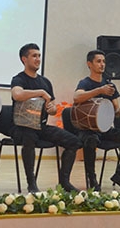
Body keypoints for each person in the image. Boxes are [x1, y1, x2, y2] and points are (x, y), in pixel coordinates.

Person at [10, 43, 82, 193]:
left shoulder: (45, 81)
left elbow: (53, 107)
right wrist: (41, 92)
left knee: (74, 141)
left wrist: (52, 109)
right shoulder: (18, 79)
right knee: (29, 138)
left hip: (40, 127)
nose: (38, 59)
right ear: (24, 59)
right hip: (22, 127)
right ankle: (31, 183)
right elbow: (17, 95)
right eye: (34, 56)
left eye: (39, 56)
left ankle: (64, 182)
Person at [73, 49, 120, 191]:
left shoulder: (110, 86)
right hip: (88, 130)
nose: (102, 64)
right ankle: (92, 178)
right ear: (89, 64)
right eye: (98, 61)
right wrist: (99, 91)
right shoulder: (85, 83)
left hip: (106, 129)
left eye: (104, 61)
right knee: (91, 140)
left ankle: (119, 174)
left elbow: (114, 110)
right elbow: (76, 97)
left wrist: (118, 112)